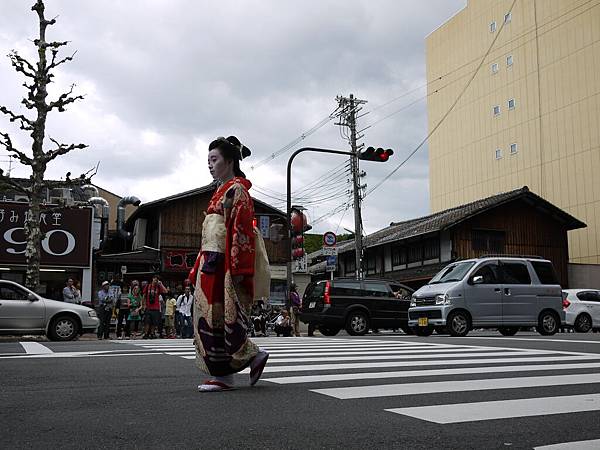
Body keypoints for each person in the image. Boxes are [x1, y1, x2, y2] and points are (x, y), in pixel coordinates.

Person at [188, 135, 268, 392]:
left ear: (230, 161)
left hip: (222, 262)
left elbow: (241, 231)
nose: (210, 165)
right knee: (210, 317)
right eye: (208, 160)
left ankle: (226, 375)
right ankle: (247, 359)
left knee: (218, 318)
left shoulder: (237, 190)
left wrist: (238, 268)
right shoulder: (223, 191)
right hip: (211, 260)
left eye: (215, 159)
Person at [142, 275, 167, 339]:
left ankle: (152, 333)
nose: (156, 281)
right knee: (147, 321)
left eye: (157, 280)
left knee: (154, 322)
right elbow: (144, 296)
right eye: (155, 279)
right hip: (148, 307)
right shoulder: (147, 286)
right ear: (152, 279)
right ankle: (146, 334)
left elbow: (165, 291)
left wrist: (161, 284)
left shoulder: (158, 287)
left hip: (156, 307)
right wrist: (143, 305)